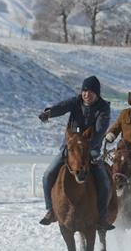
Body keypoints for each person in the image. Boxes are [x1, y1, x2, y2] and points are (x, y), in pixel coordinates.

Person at [38, 75, 114, 231]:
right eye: (85, 90)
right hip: (70, 148)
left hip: (91, 149)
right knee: (47, 175)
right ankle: (51, 210)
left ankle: (101, 216)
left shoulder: (103, 108)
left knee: (105, 181)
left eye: (91, 91)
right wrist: (49, 113)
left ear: (97, 94)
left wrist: (87, 146)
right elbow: (62, 107)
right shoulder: (76, 101)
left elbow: (99, 131)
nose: (87, 94)